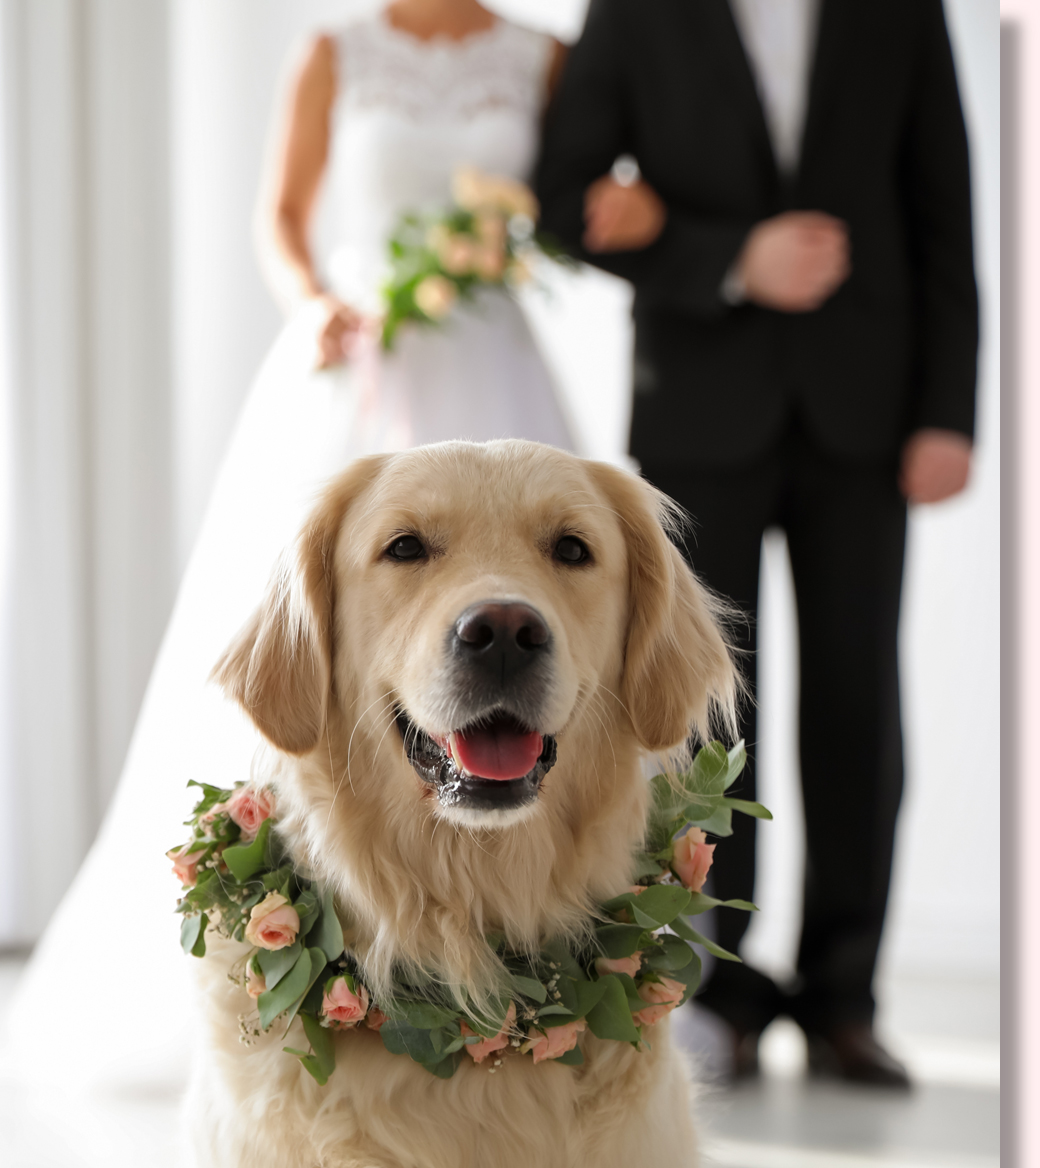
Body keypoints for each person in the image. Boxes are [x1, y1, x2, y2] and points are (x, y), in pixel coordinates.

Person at [8, 0, 572, 1091]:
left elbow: (582, 199)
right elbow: (280, 214)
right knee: (315, 650)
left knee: (529, 620)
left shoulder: (545, 57)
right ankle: (299, 947)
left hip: (493, 356)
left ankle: (526, 967)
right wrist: (311, 297)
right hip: (360, 355)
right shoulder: (333, 51)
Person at [535, 0, 978, 1087]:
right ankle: (713, 992)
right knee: (698, 710)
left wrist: (948, 412)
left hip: (865, 418)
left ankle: (843, 997)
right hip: (697, 411)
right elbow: (557, 202)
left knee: (854, 704)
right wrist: (731, 258)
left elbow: (944, 213)